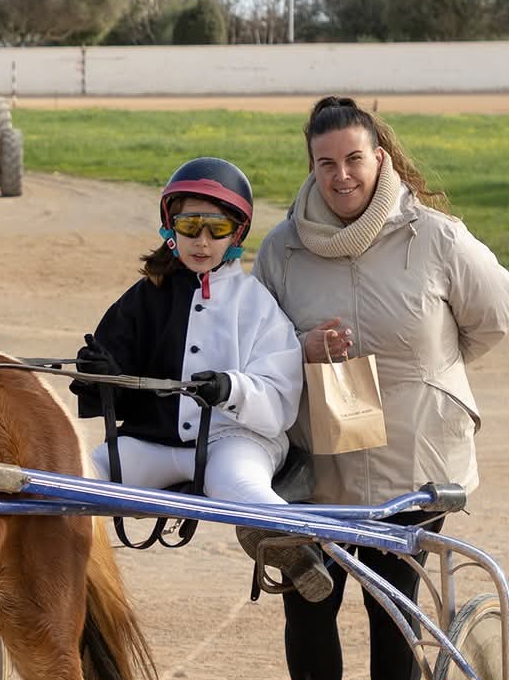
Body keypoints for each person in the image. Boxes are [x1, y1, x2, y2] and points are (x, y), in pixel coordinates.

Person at [250, 96, 509, 680]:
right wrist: (302, 351)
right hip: (322, 458)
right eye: (325, 162)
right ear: (311, 166)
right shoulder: (281, 249)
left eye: (354, 159)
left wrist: (429, 375)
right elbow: (255, 346)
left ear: (382, 158)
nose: (341, 176)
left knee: (390, 603)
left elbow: (495, 314)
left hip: (413, 453)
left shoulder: (435, 237)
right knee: (309, 602)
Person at [71, 157, 331, 601]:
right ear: (171, 227)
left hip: (234, 440)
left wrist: (231, 388)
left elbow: (280, 402)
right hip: (154, 444)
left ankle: (299, 552)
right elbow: (112, 383)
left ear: (238, 234)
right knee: (77, 474)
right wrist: (101, 376)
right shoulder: (143, 299)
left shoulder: (256, 305)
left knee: (238, 484)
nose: (203, 242)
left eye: (217, 229)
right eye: (190, 226)